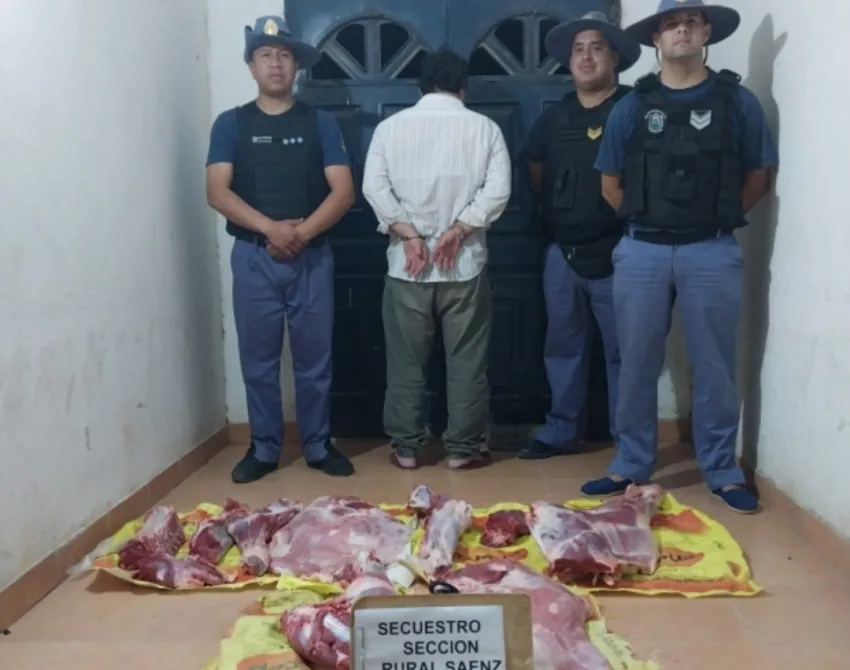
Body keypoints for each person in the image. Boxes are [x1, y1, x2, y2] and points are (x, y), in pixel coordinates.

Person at [582, 0, 778, 513]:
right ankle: (630, 462)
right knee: (636, 360)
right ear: (656, 39)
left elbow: (759, 175)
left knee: (715, 364)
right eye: (670, 24)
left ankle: (722, 470)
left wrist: (713, 220)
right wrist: (650, 223)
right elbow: (609, 183)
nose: (681, 30)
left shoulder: (739, 102)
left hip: (711, 248)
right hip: (642, 250)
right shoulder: (631, 106)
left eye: (691, 21)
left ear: (706, 32)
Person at [205, 16, 357, 483]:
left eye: (285, 55)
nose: (276, 63)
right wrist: (271, 228)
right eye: (266, 55)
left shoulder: (321, 123)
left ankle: (317, 444)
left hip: (312, 256)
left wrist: (300, 234)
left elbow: (343, 192)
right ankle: (265, 447)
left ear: (296, 66)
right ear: (251, 66)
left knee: (315, 359)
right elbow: (217, 191)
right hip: (254, 258)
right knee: (259, 360)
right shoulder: (230, 123)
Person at [362, 50, 511, 470]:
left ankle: (407, 448)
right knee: (467, 361)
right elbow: (498, 191)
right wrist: (458, 230)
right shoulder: (485, 129)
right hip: (464, 265)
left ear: (420, 86)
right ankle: (463, 450)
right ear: (463, 87)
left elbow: (374, 188)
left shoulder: (390, 129)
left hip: (405, 266)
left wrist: (409, 235)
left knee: (405, 362)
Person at [518, 12, 641, 460]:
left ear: (615, 57)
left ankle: (628, 442)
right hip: (562, 254)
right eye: (578, 50)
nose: (586, 57)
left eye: (597, 48)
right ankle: (561, 430)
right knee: (562, 348)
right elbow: (535, 174)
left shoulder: (635, 110)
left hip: (621, 253)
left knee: (624, 353)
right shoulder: (553, 119)